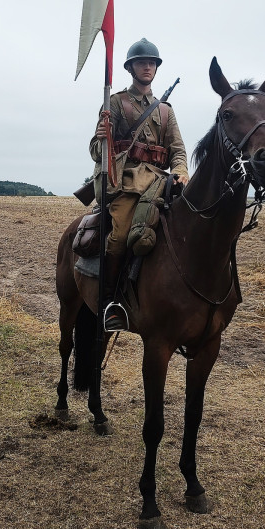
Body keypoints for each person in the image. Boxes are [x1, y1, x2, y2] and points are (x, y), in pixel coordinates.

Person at [89, 38, 189, 331]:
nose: (148, 66)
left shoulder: (166, 111)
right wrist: (102, 138)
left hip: (160, 183)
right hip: (127, 183)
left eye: (152, 63)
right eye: (142, 62)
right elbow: (97, 152)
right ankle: (110, 302)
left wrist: (181, 170)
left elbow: (178, 150)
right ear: (131, 67)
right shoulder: (116, 103)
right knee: (120, 237)